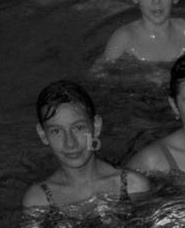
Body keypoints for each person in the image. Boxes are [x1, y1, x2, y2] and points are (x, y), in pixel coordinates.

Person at [22, 81, 150, 210]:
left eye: (79, 128)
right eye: (56, 131)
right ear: (43, 135)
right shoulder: (38, 201)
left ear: (96, 126)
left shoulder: (133, 186)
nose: (70, 143)